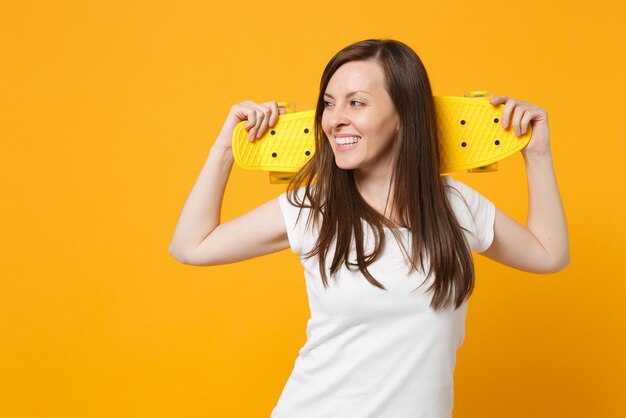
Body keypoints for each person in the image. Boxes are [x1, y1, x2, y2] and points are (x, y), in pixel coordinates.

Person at [169, 39, 569, 418]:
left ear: (403, 115)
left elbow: (548, 254)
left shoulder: (455, 206)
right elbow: (192, 245)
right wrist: (224, 149)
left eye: (356, 103)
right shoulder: (315, 208)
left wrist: (537, 153)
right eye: (328, 104)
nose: (335, 119)